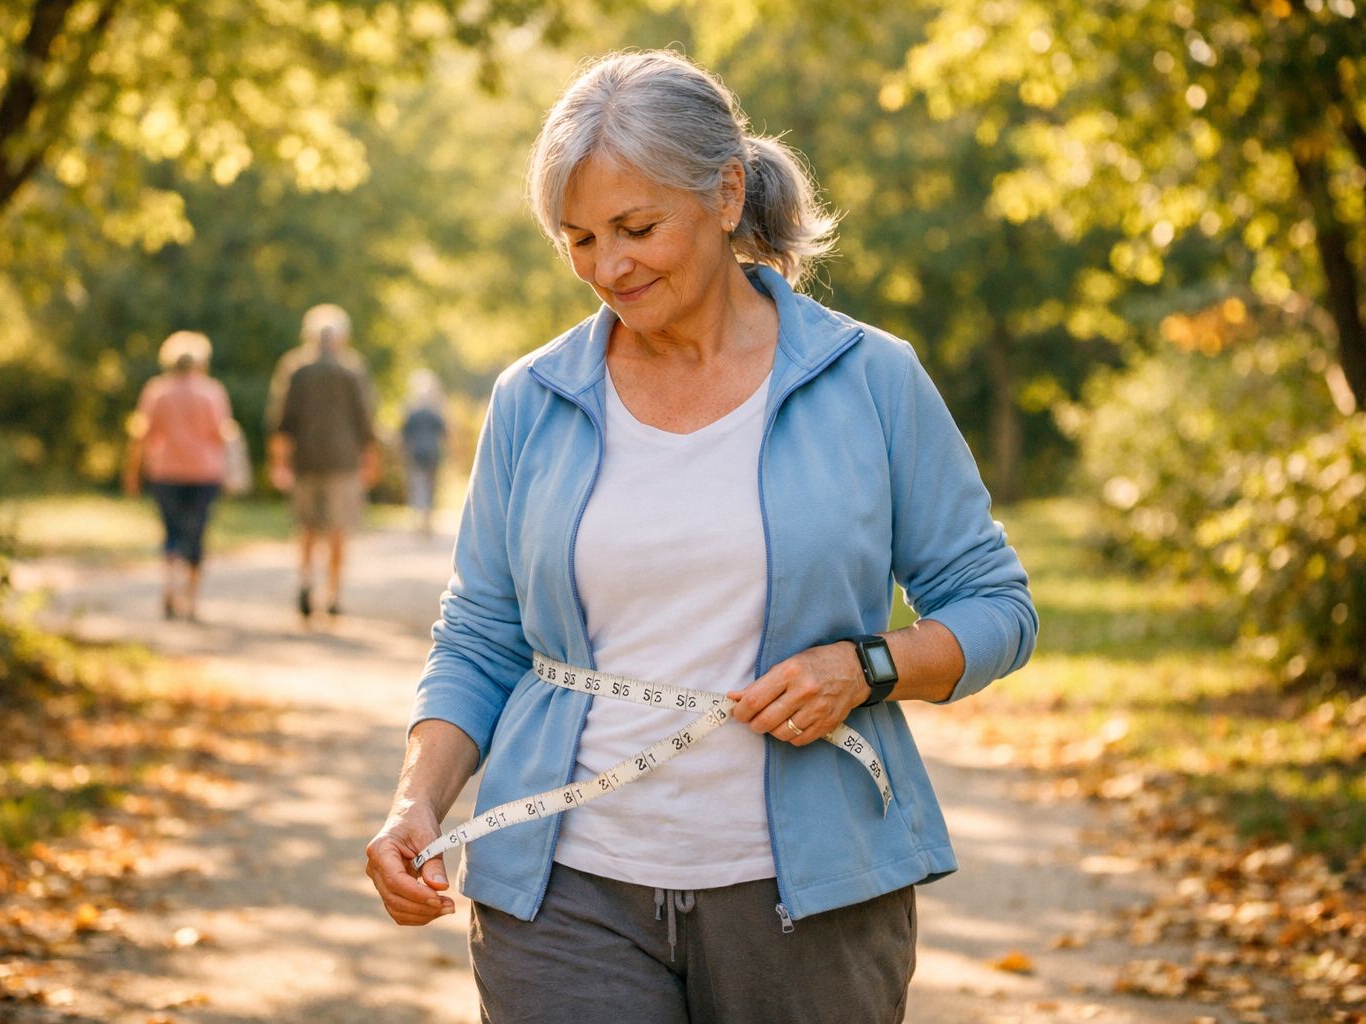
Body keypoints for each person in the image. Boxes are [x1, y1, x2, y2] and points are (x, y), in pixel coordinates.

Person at [365, 50, 1039, 1023]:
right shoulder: (533, 401)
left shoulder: (870, 381)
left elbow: (997, 605)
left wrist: (867, 667)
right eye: (579, 238)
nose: (608, 266)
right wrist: (416, 800)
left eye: (637, 228)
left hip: (814, 900)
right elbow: (480, 632)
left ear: (726, 194)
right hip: (565, 894)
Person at [267, 303, 378, 619]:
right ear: (342, 338)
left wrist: (279, 463)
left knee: (306, 527)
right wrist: (370, 462)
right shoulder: (352, 369)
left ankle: (305, 582)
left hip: (305, 460)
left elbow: (283, 421)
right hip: (343, 462)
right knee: (338, 530)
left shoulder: (295, 368)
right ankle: (333, 594)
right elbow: (365, 421)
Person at [123, 330, 237, 622]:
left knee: (172, 534)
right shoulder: (211, 391)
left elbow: (142, 435)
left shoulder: (157, 391)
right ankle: (191, 598)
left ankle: (170, 588)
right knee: (196, 533)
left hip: (166, 472)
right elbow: (222, 434)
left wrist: (132, 472)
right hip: (204, 473)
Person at [399, 369, 450, 537]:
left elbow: (404, 435)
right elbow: (444, 434)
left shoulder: (411, 412)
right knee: (430, 488)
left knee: (417, 486)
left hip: (415, 454)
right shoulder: (436, 411)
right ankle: (427, 520)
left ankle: (417, 519)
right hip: (432, 453)